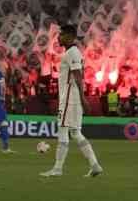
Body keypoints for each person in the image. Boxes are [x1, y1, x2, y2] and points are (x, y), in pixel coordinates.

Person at [42, 26, 102, 178]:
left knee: (63, 131)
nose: (59, 37)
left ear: (70, 36)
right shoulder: (73, 53)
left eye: (62, 34)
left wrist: (83, 98)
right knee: (75, 132)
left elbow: (77, 76)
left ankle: (57, 169)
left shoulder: (72, 53)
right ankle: (95, 165)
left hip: (69, 98)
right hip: (72, 98)